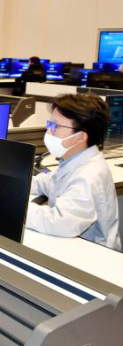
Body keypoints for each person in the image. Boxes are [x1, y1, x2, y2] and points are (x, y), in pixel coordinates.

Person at [27, 93, 121, 250]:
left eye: (56, 126)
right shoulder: (73, 162)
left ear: (80, 137)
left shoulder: (89, 175)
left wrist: (19, 208)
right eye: (50, 124)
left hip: (93, 256)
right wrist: (12, 185)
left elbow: (59, 222)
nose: (49, 131)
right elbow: (46, 183)